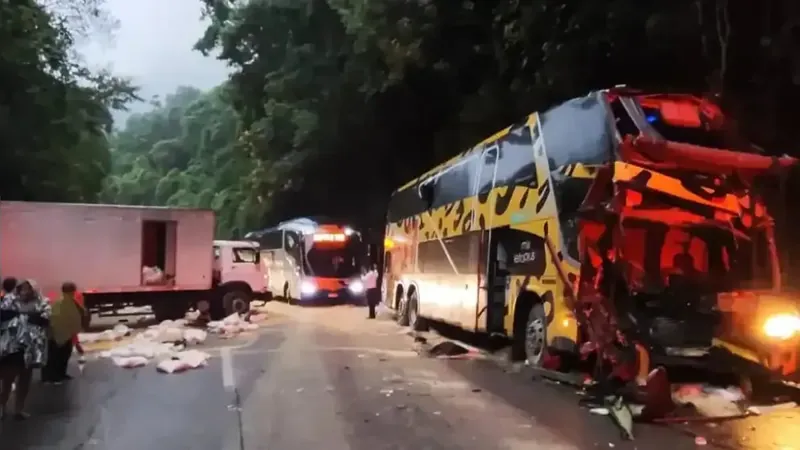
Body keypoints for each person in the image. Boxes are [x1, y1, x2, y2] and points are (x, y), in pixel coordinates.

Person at [0, 279, 51, 420]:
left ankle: (19, 409)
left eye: (28, 289)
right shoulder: (10, 300)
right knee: (8, 378)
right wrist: (25, 316)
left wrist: (23, 316)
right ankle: (2, 406)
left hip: (32, 348)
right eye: (22, 288)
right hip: (12, 348)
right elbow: (3, 315)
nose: (25, 292)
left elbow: (45, 319)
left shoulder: (42, 302)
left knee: (25, 379)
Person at [43, 282, 86, 384]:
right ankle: (54, 377)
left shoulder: (68, 302)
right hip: (59, 335)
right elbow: (56, 319)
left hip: (65, 334)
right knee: (57, 356)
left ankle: (61, 374)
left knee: (64, 355)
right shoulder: (62, 302)